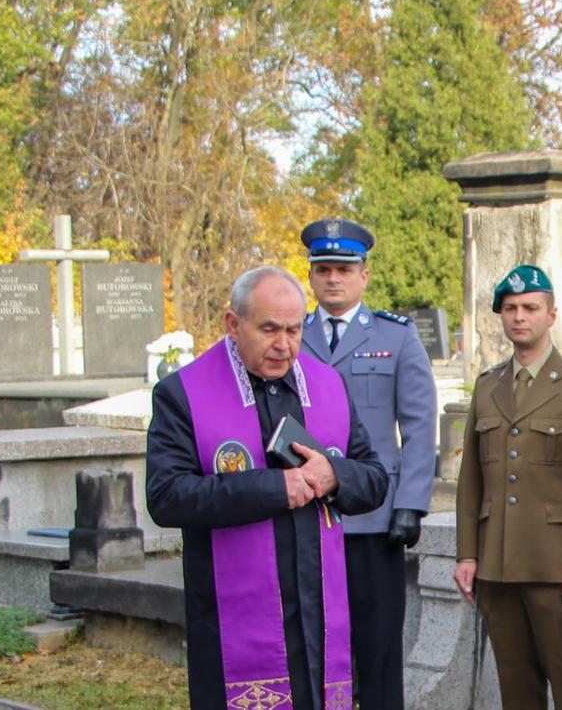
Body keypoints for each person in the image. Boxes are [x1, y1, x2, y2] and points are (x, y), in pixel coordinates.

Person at [145, 266, 389, 710]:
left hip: (318, 611)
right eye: (270, 329)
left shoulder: (327, 385)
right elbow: (167, 496)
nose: (284, 345)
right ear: (233, 325)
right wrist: (275, 488)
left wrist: (334, 475)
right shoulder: (182, 393)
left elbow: (373, 480)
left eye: (294, 330)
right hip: (234, 619)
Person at [296, 218, 437, 710]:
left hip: (375, 520)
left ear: (365, 275)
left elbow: (419, 425)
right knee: (315, 642)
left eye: (344, 269)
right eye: (324, 270)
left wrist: (411, 504)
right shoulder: (293, 336)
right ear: (311, 277)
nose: (334, 279)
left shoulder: (395, 338)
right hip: (307, 513)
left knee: (377, 647)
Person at [454, 264, 562, 710]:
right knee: (516, 691)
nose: (520, 316)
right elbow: (470, 481)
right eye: (511, 308)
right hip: (497, 565)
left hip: (556, 567)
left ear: (551, 315)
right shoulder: (487, 387)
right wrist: (467, 553)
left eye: (531, 308)